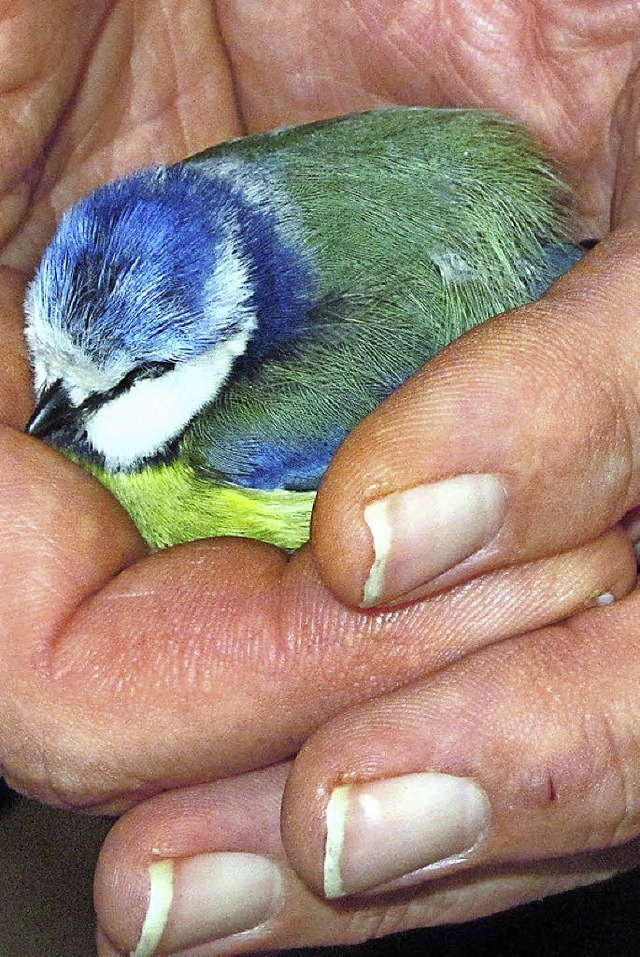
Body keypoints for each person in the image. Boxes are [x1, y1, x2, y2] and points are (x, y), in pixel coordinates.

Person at [0, 2, 639, 954]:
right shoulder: (194, 193)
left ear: (213, 346)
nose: (59, 416)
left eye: (117, 389)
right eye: (54, 375)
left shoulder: (249, 427)